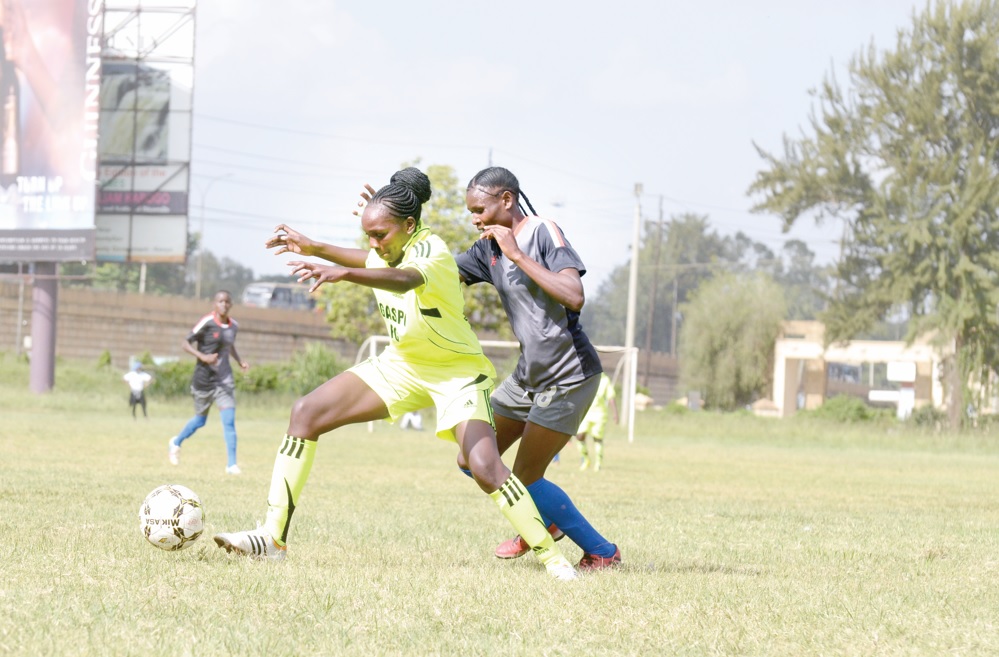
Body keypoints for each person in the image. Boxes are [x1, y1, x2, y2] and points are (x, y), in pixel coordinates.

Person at [212, 167, 578, 581]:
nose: (373, 245)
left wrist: (344, 274)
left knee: (484, 466)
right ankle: (271, 539)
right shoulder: (390, 247)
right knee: (305, 413)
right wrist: (313, 247)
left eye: (380, 235)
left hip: (456, 373)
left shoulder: (433, 251)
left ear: (409, 225)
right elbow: (367, 258)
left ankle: (552, 558)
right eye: (370, 236)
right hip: (401, 365)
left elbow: (403, 280)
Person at [454, 166, 621, 570]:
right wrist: (387, 243)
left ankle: (602, 551)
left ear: (506, 200)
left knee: (526, 476)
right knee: (471, 459)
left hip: (570, 374)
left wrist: (517, 255)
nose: (474, 219)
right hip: (527, 377)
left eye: (480, 209)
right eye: (471, 211)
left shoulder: (542, 231)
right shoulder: (485, 248)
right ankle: (546, 522)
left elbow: (574, 295)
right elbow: (430, 273)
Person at [167, 290, 249, 475]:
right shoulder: (207, 322)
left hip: (224, 380)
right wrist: (202, 357)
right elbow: (185, 343)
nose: (224, 304)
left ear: (231, 305)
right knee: (200, 421)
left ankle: (231, 465)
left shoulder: (234, 326)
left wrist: (239, 361)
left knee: (229, 422)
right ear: (214, 303)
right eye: (220, 301)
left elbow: (230, 345)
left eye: (227, 302)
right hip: (203, 380)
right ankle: (176, 442)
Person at [574, 372, 618, 471]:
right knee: (579, 436)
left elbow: (611, 397)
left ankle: (598, 463)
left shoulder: (605, 380)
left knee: (597, 438)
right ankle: (586, 460)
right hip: (586, 413)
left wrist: (615, 413)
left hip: (599, 414)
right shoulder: (586, 377)